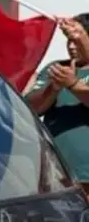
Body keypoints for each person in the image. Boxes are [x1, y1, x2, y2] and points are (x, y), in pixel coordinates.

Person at [26, 14, 89, 190]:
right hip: (57, 174)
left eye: (76, 40)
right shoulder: (56, 68)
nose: (71, 46)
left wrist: (73, 84)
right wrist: (53, 88)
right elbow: (32, 108)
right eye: (69, 40)